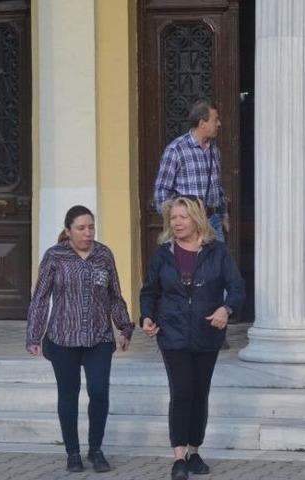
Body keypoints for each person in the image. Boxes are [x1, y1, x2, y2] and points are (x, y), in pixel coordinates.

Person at [140, 196, 244, 480]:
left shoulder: (217, 252)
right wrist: (147, 317)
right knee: (182, 392)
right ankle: (178, 457)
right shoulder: (162, 254)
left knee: (200, 394)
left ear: (196, 219)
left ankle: (195, 451)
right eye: (173, 218)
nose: (177, 222)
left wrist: (226, 309)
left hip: (207, 333)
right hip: (172, 334)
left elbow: (236, 288)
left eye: (182, 217)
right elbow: (149, 291)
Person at [26, 205, 133, 473]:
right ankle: (72, 453)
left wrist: (124, 327)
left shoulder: (104, 255)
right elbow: (40, 298)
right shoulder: (54, 257)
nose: (88, 233)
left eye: (91, 227)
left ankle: (96, 450)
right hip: (63, 338)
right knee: (68, 394)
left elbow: (114, 295)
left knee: (99, 391)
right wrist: (34, 335)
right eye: (81, 228)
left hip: (99, 338)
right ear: (68, 231)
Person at [154, 98, 230, 242]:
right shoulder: (176, 150)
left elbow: (218, 187)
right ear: (202, 123)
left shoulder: (214, 150)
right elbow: (162, 191)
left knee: (218, 257)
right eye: (215, 120)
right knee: (188, 257)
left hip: (213, 222)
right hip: (189, 224)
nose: (219, 124)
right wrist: (175, 221)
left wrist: (224, 216)